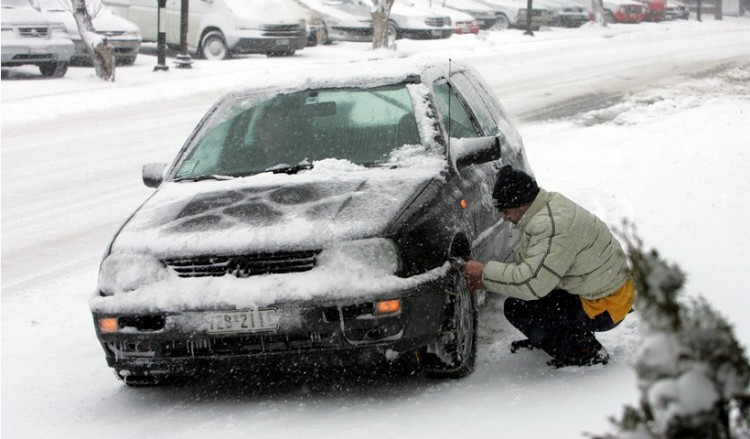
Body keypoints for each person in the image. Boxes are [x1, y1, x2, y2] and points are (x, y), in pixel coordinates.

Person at [462, 165, 635, 368]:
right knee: (534, 302)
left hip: (605, 305)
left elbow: (532, 283)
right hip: (603, 291)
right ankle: (561, 337)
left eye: (505, 211)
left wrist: (484, 273)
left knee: (518, 308)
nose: (504, 217)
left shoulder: (551, 226)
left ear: (522, 205)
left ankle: (583, 350)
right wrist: (488, 280)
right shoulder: (546, 208)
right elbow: (530, 263)